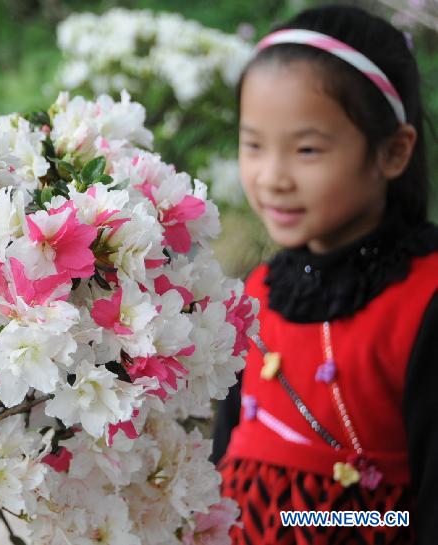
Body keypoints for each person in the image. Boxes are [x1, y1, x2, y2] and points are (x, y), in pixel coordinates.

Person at [211, 5, 438, 544]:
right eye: (253, 145)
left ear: (392, 151)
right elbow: (221, 456)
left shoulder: (425, 300)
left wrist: (318, 518)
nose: (272, 177)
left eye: (306, 149)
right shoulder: (258, 293)